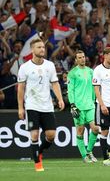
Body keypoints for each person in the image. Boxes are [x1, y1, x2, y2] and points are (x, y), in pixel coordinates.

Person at [17, 38, 65, 172]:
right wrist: (21, 107)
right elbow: (21, 88)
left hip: (47, 106)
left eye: (43, 47)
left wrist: (60, 99)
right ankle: (37, 163)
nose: (42, 49)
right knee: (34, 135)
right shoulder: (25, 67)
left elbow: (54, 83)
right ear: (32, 50)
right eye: (39, 47)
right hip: (32, 105)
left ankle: (39, 151)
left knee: (51, 135)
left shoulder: (49, 65)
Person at [67, 50, 99, 163]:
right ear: (76, 60)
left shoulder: (91, 71)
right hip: (79, 106)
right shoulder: (72, 73)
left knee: (95, 128)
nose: (82, 59)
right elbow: (70, 91)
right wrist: (72, 105)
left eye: (83, 57)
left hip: (90, 105)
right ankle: (84, 156)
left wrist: (95, 100)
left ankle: (89, 151)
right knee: (80, 131)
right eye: (79, 57)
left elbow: (95, 87)